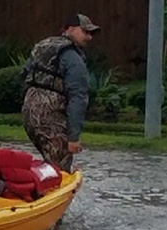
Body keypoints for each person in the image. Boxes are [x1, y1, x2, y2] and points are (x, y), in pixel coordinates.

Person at [21, 13, 99, 173]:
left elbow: (24, 74)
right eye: (85, 31)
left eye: (91, 33)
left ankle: (35, 188)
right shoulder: (72, 57)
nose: (89, 37)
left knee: (50, 165)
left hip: (29, 113)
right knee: (60, 168)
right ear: (70, 29)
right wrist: (73, 138)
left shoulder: (43, 46)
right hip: (51, 116)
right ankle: (51, 195)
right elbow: (78, 97)